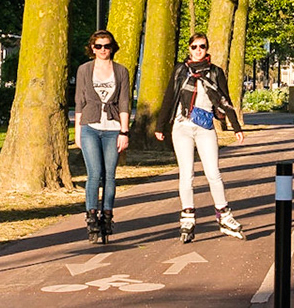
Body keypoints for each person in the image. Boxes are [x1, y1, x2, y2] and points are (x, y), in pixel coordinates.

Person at [153, 32, 246, 242]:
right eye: (194, 47)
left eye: (202, 46)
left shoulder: (215, 72)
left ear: (207, 48)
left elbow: (224, 100)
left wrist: (236, 127)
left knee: (213, 173)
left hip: (205, 128)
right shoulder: (181, 70)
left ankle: (224, 215)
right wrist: (160, 125)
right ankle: (187, 217)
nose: (198, 51)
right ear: (189, 48)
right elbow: (169, 97)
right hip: (182, 127)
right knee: (186, 174)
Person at [73, 29, 131, 244]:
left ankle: (107, 215)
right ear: (92, 48)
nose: (103, 50)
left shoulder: (121, 71)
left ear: (112, 48)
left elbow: (124, 103)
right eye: (98, 46)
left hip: (113, 128)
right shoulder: (84, 70)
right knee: (94, 173)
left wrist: (124, 131)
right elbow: (79, 101)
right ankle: (91, 217)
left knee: (109, 175)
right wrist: (77, 131)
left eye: (106, 46)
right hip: (90, 127)